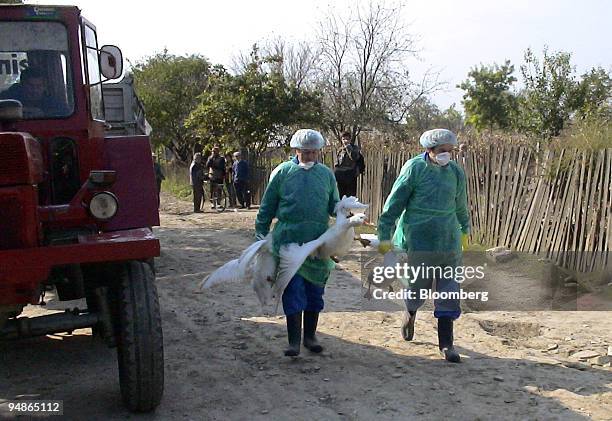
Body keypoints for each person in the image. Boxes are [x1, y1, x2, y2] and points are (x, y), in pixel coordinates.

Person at [376, 128, 470, 363]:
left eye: (450, 151)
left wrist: (465, 229)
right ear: (429, 150)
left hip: (448, 239)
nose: (446, 155)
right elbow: (394, 203)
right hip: (418, 237)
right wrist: (385, 234)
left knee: (449, 290)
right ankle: (410, 312)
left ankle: (446, 344)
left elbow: (460, 204)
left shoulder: (456, 173)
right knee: (417, 286)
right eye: (441, 151)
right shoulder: (415, 169)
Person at [255, 129, 339, 357]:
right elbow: (267, 206)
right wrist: (261, 234)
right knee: (293, 290)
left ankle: (310, 337)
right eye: (306, 153)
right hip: (288, 241)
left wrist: (345, 213)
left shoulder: (326, 175)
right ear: (296, 151)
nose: (311, 157)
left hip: (317, 243)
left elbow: (333, 205)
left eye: (314, 153)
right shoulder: (283, 173)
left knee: (315, 291)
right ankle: (294, 341)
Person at [0, 68, 68, 118]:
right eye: (30, 86)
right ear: (22, 85)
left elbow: (65, 115)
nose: (34, 90)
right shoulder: (7, 98)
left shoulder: (54, 104)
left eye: (39, 86)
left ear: (45, 86)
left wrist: (44, 114)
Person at [334, 131, 363, 197]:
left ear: (350, 139)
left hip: (350, 175)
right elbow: (337, 163)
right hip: (340, 176)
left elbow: (354, 157)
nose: (345, 141)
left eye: (347, 139)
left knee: (350, 197)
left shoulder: (355, 148)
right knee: (340, 196)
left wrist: (348, 147)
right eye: (343, 139)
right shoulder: (340, 150)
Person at [206, 145, 226, 209]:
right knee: (212, 190)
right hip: (212, 176)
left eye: (215, 151)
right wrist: (211, 158)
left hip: (219, 176)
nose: (214, 153)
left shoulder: (221, 158)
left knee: (219, 190)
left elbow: (222, 167)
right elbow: (207, 165)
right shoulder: (210, 158)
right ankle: (212, 203)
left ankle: (218, 203)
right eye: (213, 151)